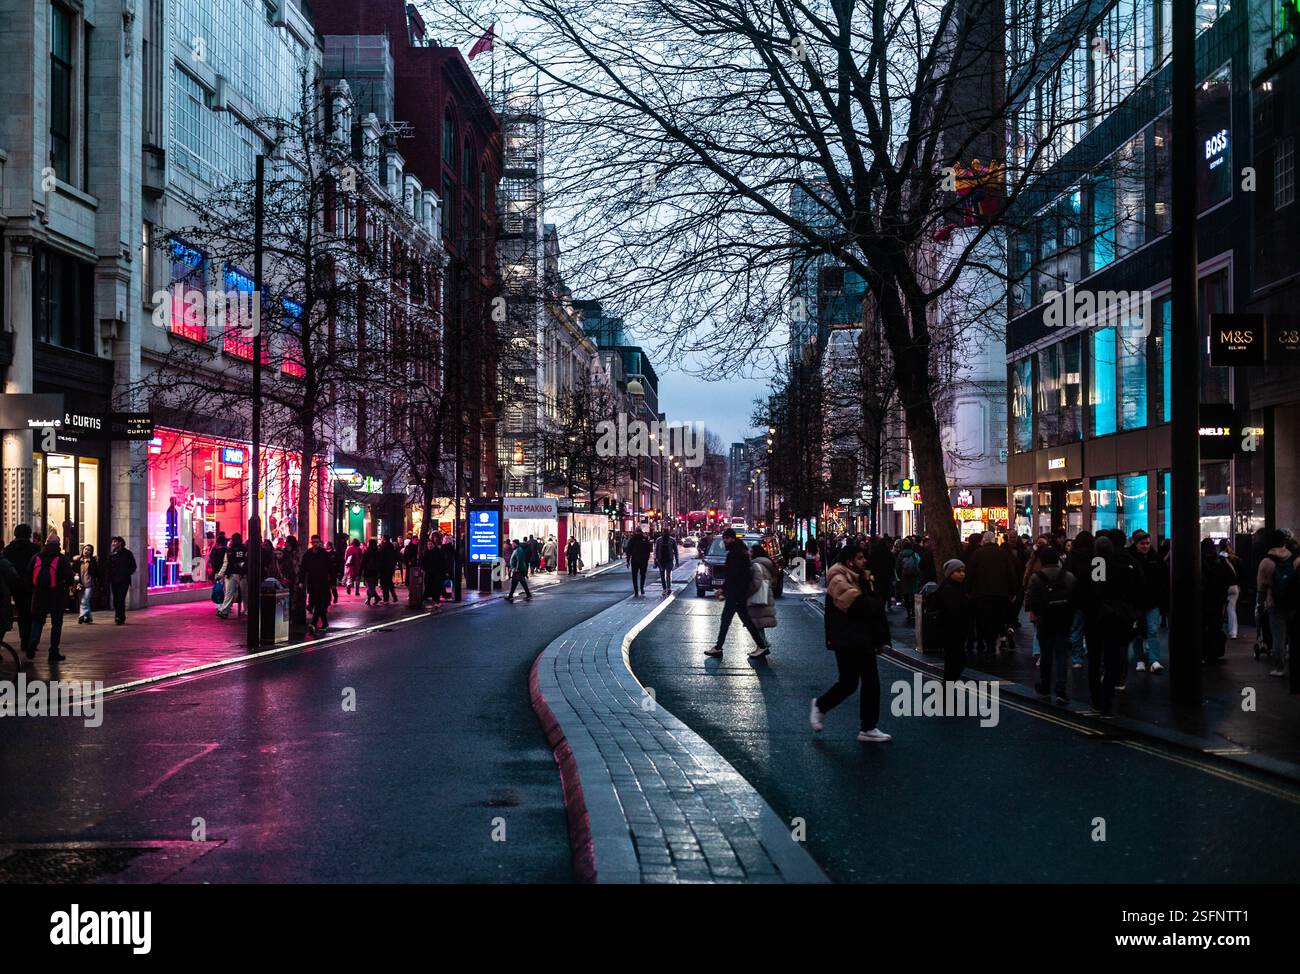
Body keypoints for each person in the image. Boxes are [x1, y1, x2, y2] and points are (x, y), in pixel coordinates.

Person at [809, 544, 891, 742]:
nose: (864, 561)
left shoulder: (862, 578)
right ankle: (820, 705)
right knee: (849, 683)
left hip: (863, 638)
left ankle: (868, 728)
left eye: (864, 557)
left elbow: (875, 614)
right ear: (849, 561)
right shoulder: (838, 580)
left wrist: (880, 639)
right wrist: (877, 597)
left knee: (870, 682)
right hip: (846, 639)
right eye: (860, 557)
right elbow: (860, 607)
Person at [1086, 535, 1144, 716]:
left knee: (1095, 661)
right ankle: (1106, 698)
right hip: (1119, 616)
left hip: (1099, 617)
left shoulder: (1099, 563)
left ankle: (1098, 701)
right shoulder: (1128, 562)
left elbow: (1096, 590)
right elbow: (1138, 588)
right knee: (1113, 660)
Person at [704, 529, 769, 659]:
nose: (724, 541)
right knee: (740, 620)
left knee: (728, 620)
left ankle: (718, 647)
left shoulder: (736, 553)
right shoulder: (740, 551)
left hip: (736, 593)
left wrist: (723, 589)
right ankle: (761, 646)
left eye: (726, 539)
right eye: (724, 538)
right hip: (737, 593)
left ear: (732, 538)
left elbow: (734, 574)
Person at [1024, 546, 1076, 705]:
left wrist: (1035, 612)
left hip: (1045, 620)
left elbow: (1030, 600)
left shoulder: (1036, 577)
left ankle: (1045, 686)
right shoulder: (1068, 576)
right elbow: (1075, 598)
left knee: (1046, 654)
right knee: (1062, 655)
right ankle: (1061, 689)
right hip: (1064, 620)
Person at [966, 530, 1019, 656]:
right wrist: (1012, 591)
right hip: (1000, 592)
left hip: (981, 593)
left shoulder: (977, 554)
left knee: (983, 619)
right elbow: (1010, 573)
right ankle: (993, 642)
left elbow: (970, 574)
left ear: (984, 541)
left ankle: (985, 643)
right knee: (997, 618)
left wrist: (968, 590)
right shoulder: (1003, 553)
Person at [1256, 529, 1298, 679]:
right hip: (1294, 603)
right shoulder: (1296, 559)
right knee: (1295, 636)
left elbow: (1261, 587)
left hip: (1275, 603)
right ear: (1285, 542)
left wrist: (1259, 605)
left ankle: (1279, 668)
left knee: (1278, 637)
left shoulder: (1266, 562)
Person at [1127, 530, 1168, 674]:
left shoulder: (1134, 558)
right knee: (1144, 632)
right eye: (1143, 544)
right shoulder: (1155, 558)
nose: (1145, 546)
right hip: (1144, 601)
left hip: (1146, 601)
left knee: (1149, 631)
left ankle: (1147, 660)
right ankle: (1150, 660)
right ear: (1137, 544)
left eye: (1147, 544)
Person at [27, 535, 74, 661]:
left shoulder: (36, 557)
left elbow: (28, 575)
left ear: (46, 543)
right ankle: (53, 651)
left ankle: (33, 640)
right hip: (56, 595)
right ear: (58, 544)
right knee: (56, 624)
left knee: (37, 621)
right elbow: (69, 577)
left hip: (38, 595)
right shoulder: (61, 559)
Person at [932, 559, 971, 683]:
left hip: (955, 631)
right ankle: (946, 691)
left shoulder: (957, 587)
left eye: (963, 571)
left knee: (954, 663)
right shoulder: (949, 589)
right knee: (956, 662)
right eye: (958, 571)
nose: (962, 574)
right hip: (952, 631)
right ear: (950, 573)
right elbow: (954, 611)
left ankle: (946, 691)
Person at [3, 524, 39, 656]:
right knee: (31, 614)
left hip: (15, 586)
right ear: (28, 534)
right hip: (30, 585)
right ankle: (29, 639)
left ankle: (25, 639)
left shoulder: (9, 549)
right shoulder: (34, 549)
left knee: (22, 612)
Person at [1200, 538, 1234, 663]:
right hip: (1218, 600)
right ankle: (1213, 653)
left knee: (1202, 626)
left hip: (1203, 600)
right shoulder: (1221, 561)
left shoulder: (1199, 561)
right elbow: (1231, 578)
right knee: (1215, 626)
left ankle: (1202, 653)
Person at [301, 535, 335, 633]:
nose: (315, 544)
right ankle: (324, 623)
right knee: (318, 603)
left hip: (323, 582)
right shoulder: (308, 554)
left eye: (317, 542)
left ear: (320, 542)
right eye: (314, 542)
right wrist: (301, 581)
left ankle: (314, 623)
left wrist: (332, 583)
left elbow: (331, 569)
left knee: (319, 603)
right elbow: (303, 569)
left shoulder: (324, 554)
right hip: (312, 582)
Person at [747, 542, 778, 644]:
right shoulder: (766, 564)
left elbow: (756, 583)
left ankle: (762, 645)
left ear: (755, 553)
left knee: (756, 623)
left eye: (751, 551)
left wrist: (747, 592)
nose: (749, 553)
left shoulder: (756, 565)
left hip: (758, 598)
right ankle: (763, 643)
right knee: (758, 623)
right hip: (765, 596)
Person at [215, 532, 248, 618]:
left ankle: (224, 611)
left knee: (229, 593)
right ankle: (247, 610)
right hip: (243, 575)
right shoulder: (245, 549)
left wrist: (220, 575)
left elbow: (225, 564)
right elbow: (247, 563)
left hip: (230, 574)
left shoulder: (229, 551)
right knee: (245, 594)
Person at [107, 536, 138, 625]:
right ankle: (120, 616)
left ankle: (119, 617)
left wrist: (126, 574)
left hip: (124, 581)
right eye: (112, 542)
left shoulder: (127, 553)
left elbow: (133, 566)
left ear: (120, 543)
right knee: (116, 599)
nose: (113, 543)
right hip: (114, 580)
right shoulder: (111, 554)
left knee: (121, 598)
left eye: (115, 542)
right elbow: (108, 567)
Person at [1218, 539, 1242, 639]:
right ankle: (1233, 633)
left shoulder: (1219, 559)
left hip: (1223, 586)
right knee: (1231, 609)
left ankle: (1218, 629)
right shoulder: (1235, 559)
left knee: (1220, 609)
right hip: (1234, 586)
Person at [894, 539, 921, 623]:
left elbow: (898, 566)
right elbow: (918, 564)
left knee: (905, 595)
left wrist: (898, 576)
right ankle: (913, 611)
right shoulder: (914, 554)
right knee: (913, 594)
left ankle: (908, 613)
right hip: (914, 577)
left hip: (904, 577)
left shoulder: (900, 555)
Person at [72, 543, 99, 624]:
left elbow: (97, 572)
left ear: (91, 552)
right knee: (83, 601)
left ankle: (81, 616)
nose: (86, 551)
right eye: (85, 549)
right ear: (82, 550)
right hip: (80, 584)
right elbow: (73, 570)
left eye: (88, 550)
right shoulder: (78, 561)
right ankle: (88, 617)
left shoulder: (93, 561)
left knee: (84, 601)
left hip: (89, 584)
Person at [625, 528, 652, 596]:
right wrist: (647, 558)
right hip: (643, 560)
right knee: (642, 575)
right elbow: (648, 550)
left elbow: (629, 551)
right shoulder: (645, 539)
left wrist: (628, 561)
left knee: (635, 576)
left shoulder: (632, 540)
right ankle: (641, 588)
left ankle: (636, 590)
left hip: (635, 560)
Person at [653, 529, 677, 593]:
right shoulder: (659, 540)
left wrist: (677, 560)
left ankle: (668, 588)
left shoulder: (672, 540)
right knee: (662, 575)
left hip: (669, 560)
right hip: (661, 560)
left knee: (668, 575)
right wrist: (655, 559)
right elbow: (655, 550)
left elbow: (675, 550)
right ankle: (664, 588)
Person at [361, 539, 382, 606]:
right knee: (371, 586)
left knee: (369, 586)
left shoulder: (367, 552)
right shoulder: (378, 552)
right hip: (375, 571)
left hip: (368, 571)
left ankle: (376, 597)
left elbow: (363, 562)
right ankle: (369, 600)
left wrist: (360, 572)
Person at [379, 535, 399, 603]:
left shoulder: (384, 547)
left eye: (382, 538)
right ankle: (394, 596)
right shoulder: (391, 546)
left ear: (384, 539)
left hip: (384, 568)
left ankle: (386, 599)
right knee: (389, 582)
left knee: (384, 584)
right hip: (390, 567)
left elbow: (381, 558)